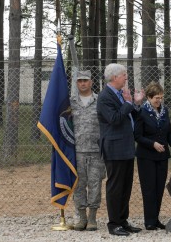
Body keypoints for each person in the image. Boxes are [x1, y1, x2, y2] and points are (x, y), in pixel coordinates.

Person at [97, 63, 143, 237]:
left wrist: (136, 104)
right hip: (114, 148)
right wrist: (129, 102)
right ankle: (114, 223)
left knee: (126, 186)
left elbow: (130, 116)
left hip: (126, 147)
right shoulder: (105, 97)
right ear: (114, 77)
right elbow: (115, 119)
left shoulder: (121, 94)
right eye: (124, 75)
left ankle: (123, 221)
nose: (126, 78)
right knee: (115, 187)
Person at [134, 81, 171, 231]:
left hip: (162, 156)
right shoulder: (142, 112)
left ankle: (156, 219)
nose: (159, 101)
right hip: (146, 156)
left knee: (159, 188)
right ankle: (149, 221)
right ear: (148, 97)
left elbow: (169, 132)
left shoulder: (164, 111)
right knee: (149, 189)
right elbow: (137, 136)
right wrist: (152, 144)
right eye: (156, 98)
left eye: (161, 98)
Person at [70, 70, 104, 231]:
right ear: (76, 83)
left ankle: (92, 218)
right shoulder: (70, 102)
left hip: (96, 150)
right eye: (79, 81)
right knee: (78, 185)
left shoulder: (100, 100)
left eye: (85, 80)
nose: (82, 83)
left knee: (95, 184)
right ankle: (81, 217)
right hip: (76, 151)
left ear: (91, 82)